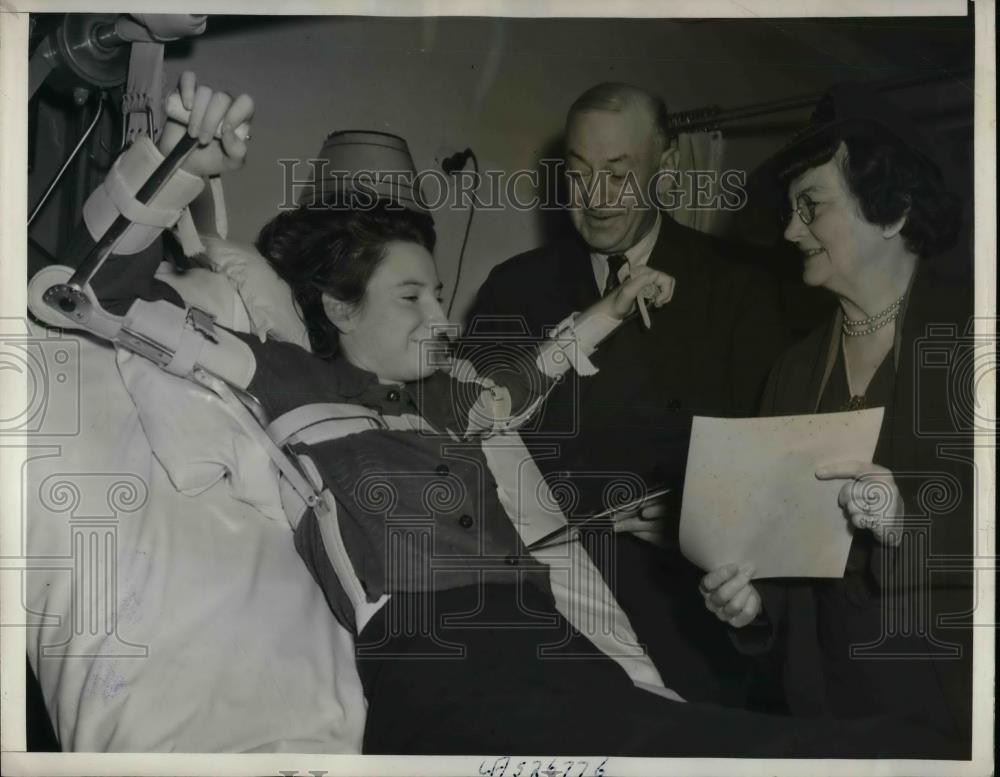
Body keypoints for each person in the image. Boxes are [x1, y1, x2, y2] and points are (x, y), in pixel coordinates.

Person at [45, 71, 959, 758]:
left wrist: (611, 306)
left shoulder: (453, 399)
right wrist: (174, 167)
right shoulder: (281, 378)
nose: (444, 318)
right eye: (413, 297)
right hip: (439, 672)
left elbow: (531, 373)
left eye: (439, 293)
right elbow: (89, 295)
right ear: (338, 309)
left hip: (561, 652)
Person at [466, 82, 789, 704]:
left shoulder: (740, 288)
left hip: (683, 614)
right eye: (579, 173)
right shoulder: (513, 287)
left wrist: (697, 515)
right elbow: (472, 446)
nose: (596, 197)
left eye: (619, 172)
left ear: (665, 166)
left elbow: (772, 465)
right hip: (549, 603)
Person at [699, 82, 973, 758]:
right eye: (792, 211)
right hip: (818, 711)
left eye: (811, 207)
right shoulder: (792, 372)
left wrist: (909, 521)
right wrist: (751, 609)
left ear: (891, 210)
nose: (791, 230)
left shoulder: (978, 343)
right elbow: (780, 564)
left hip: (950, 707)